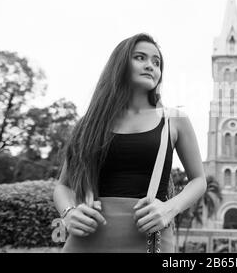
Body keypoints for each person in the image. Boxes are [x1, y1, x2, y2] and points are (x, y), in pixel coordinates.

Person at [53, 33, 207, 252]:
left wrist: (169, 209)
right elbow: (63, 186)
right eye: (140, 57)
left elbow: (199, 180)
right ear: (120, 64)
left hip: (150, 240)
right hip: (87, 239)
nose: (150, 66)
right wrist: (69, 213)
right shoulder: (89, 124)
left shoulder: (175, 120)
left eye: (157, 62)